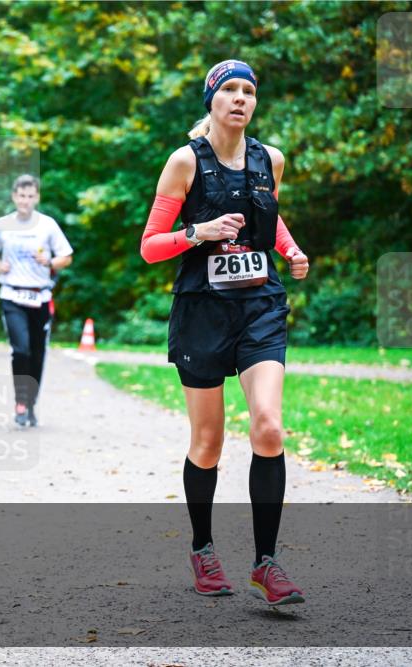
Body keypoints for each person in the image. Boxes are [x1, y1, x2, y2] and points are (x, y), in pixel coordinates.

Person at [139, 59, 310, 605]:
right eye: (229, 90)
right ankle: (203, 549)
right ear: (211, 100)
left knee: (269, 428)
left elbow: (270, 218)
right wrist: (199, 232)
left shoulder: (269, 159)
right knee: (208, 443)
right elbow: (150, 246)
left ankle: (267, 564)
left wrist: (290, 250)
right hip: (202, 313)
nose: (240, 98)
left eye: (248, 91)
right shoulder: (185, 162)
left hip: (260, 306)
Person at [0, 174, 73, 427]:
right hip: (12, 294)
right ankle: (20, 402)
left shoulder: (47, 225)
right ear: (14, 197)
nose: (25, 201)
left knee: (37, 352)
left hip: (40, 296)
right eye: (21, 196)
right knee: (20, 349)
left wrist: (50, 262)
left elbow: (66, 257)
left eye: (30, 196)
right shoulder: (3, 224)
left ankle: (31, 402)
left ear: (37, 197)